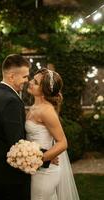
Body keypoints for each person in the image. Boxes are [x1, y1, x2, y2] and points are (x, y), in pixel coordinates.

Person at [0, 54, 31, 200]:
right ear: (11, 76)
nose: (27, 81)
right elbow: (17, 144)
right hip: (10, 176)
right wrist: (46, 156)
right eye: (24, 77)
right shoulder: (11, 101)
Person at [26, 68, 80, 200]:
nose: (30, 82)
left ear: (44, 90)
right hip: (36, 169)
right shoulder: (34, 107)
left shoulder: (46, 111)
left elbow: (62, 143)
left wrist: (40, 159)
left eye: (36, 82)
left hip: (45, 172)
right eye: (33, 79)